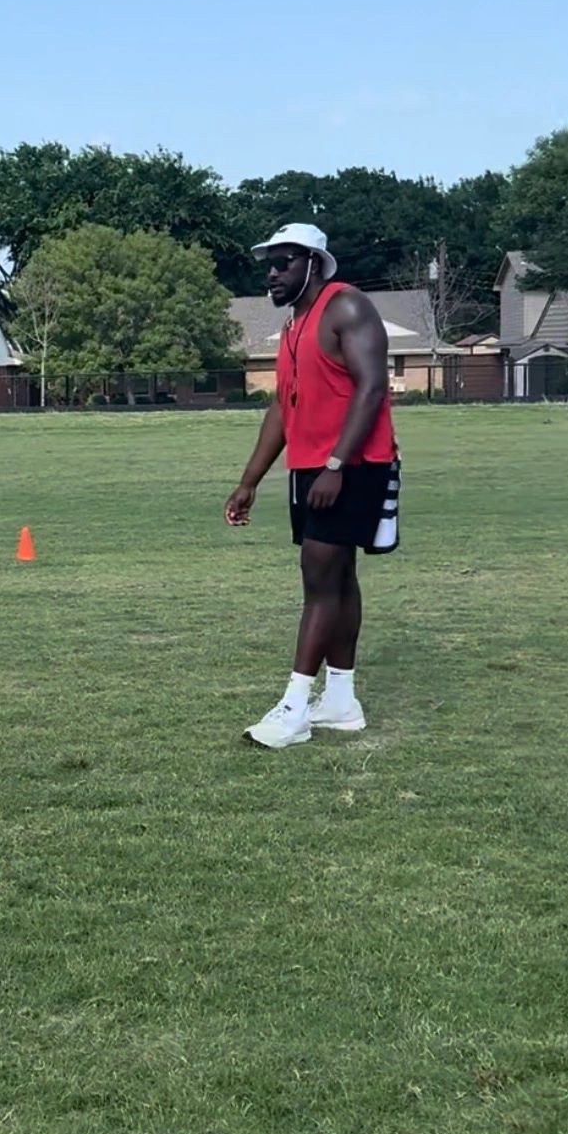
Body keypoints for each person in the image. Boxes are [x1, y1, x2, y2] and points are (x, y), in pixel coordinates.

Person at [224, 223, 400, 750]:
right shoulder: (294, 327)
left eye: (283, 262)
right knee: (338, 577)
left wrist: (337, 463)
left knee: (319, 578)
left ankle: (295, 707)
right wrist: (248, 481)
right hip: (311, 468)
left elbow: (371, 388)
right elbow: (282, 406)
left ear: (313, 262)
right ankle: (341, 701)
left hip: (352, 465)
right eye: (268, 265)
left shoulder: (346, 307)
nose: (271, 274)